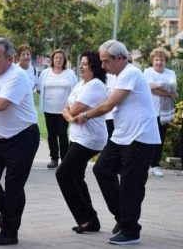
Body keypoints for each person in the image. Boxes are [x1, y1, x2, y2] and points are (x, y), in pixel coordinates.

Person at [75, 40, 161, 245]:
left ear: (120, 58)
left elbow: (106, 106)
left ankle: (131, 231)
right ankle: (123, 218)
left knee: (131, 185)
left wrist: (85, 115)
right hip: (122, 136)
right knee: (102, 169)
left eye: (106, 61)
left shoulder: (131, 73)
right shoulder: (116, 76)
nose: (103, 66)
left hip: (140, 138)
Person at [0, 38, 40, 246]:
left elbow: (2, 103)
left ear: (10, 59)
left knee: (13, 185)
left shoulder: (18, 76)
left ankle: (9, 232)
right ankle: (9, 211)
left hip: (22, 137)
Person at [56, 51, 108, 234]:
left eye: (85, 64)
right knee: (76, 177)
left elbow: (75, 108)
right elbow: (66, 109)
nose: (81, 66)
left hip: (90, 139)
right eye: (80, 63)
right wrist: (71, 116)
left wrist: (71, 113)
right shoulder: (80, 84)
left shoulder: (95, 86)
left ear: (94, 66)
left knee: (63, 174)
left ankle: (86, 218)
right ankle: (91, 220)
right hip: (77, 136)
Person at [37, 49, 78, 168]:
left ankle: (65, 159)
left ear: (64, 60)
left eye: (61, 58)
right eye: (56, 58)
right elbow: (39, 89)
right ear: (52, 60)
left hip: (64, 109)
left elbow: (76, 90)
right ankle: (54, 158)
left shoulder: (70, 73)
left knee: (62, 133)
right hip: (49, 108)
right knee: (51, 134)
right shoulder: (45, 73)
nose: (58, 60)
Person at [144, 48, 178, 177]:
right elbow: (151, 89)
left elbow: (173, 86)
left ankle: (155, 165)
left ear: (166, 61)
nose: (159, 62)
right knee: (147, 138)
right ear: (152, 60)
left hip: (163, 112)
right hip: (150, 111)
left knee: (160, 139)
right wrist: (169, 93)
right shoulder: (147, 72)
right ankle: (144, 164)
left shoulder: (170, 73)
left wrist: (157, 85)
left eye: (161, 60)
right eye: (156, 60)